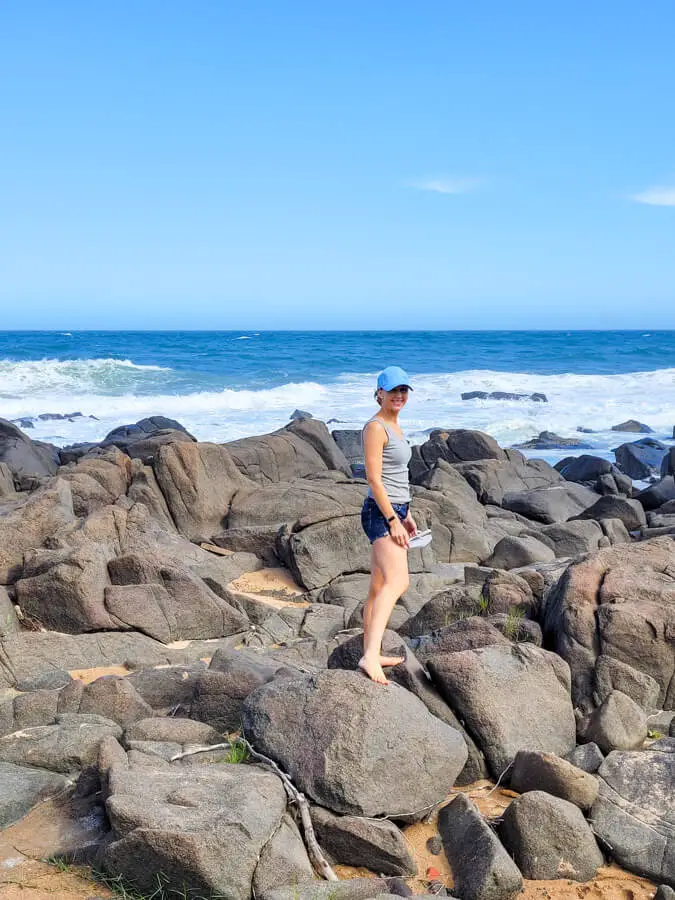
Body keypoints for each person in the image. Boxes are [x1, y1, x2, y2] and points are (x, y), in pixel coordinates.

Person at [359, 365, 417, 684]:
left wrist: (406, 514)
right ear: (379, 392)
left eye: (403, 391)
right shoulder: (376, 427)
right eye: (393, 390)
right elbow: (374, 479)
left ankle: (373, 649)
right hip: (380, 514)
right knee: (399, 582)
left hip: (396, 510)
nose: (399, 396)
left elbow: (397, 477)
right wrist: (393, 520)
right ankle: (369, 655)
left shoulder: (396, 426)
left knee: (379, 586)